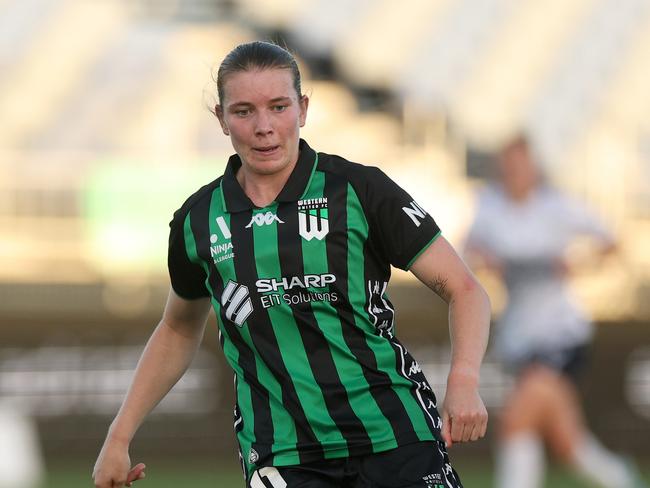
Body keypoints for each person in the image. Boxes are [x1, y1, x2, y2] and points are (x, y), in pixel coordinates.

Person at [92, 40, 491, 488]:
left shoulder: (359, 191)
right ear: (221, 119)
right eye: (243, 111)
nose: (264, 127)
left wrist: (464, 378)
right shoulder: (198, 221)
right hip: (282, 455)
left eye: (278, 107)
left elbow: (465, 288)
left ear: (302, 109)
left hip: (393, 436)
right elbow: (178, 328)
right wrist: (118, 436)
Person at [465, 135, 646, 488]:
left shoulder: (557, 207)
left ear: (533, 168)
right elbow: (465, 250)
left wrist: (579, 264)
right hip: (519, 339)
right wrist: (486, 261)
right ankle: (624, 481)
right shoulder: (490, 209)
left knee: (517, 419)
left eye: (520, 165)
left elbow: (613, 243)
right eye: (508, 166)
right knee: (566, 440)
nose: (514, 172)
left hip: (560, 335)